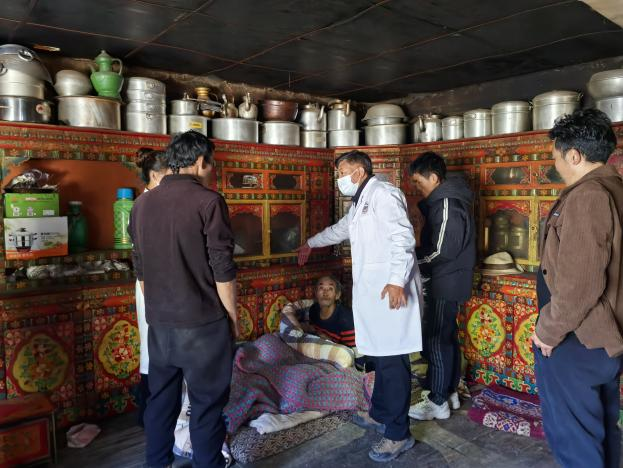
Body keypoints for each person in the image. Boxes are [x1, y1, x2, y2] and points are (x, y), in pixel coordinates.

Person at [297, 150, 422, 463]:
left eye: (342, 172)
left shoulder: (384, 194)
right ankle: (380, 414)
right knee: (379, 359)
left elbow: (403, 238)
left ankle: (398, 435)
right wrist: (311, 243)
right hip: (375, 296)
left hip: (392, 293)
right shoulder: (360, 201)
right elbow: (341, 229)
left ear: (359, 172)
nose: (339, 178)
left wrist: (397, 281)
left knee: (392, 363)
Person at [128, 131, 238, 468]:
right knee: (206, 406)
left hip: (160, 326)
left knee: (161, 401)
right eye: (211, 164)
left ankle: (157, 463)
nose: (211, 170)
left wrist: (159, 310)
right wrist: (232, 319)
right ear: (201, 161)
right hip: (203, 326)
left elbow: (140, 270)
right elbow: (222, 269)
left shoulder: (142, 204)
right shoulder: (209, 201)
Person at [531, 109, 623, 468]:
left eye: (555, 156)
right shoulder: (615, 189)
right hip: (605, 338)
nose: (555, 164)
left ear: (574, 155)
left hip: (577, 339)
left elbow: (580, 284)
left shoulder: (588, 196)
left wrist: (548, 331)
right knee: (601, 428)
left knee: (575, 439)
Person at [406, 152, 476, 420]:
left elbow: (442, 250)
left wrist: (412, 260)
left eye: (418, 181)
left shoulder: (447, 203)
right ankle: (449, 393)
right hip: (449, 278)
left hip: (445, 280)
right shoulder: (444, 201)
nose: (416, 187)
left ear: (434, 178)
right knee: (446, 337)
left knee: (435, 339)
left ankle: (436, 401)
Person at [134, 147, 168, 428]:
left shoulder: (158, 202)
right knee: (151, 347)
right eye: (170, 174)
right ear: (155, 175)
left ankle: (158, 415)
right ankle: (149, 414)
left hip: (163, 283)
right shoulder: (145, 205)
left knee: (159, 347)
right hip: (151, 284)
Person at [281, 275, 356, 347]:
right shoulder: (313, 310)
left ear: (337, 295)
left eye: (330, 288)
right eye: (321, 288)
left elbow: (353, 353)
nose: (325, 293)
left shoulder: (347, 320)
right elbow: (314, 331)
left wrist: (329, 341)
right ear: (316, 293)